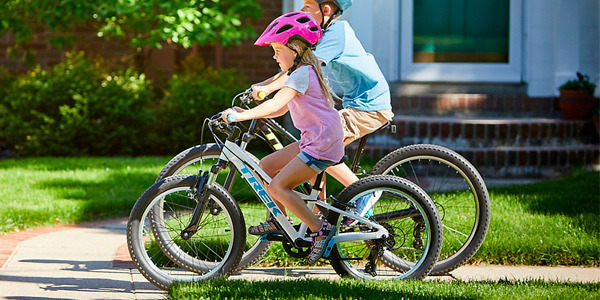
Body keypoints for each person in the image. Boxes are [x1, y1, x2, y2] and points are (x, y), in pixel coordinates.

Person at [251, 0, 393, 221]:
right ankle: (320, 215)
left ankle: (364, 191)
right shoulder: (320, 35)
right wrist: (264, 86)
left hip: (369, 106)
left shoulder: (337, 32)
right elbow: (295, 70)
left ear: (325, 10)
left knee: (323, 144)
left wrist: (266, 87)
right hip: (356, 103)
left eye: (307, 7)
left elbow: (300, 70)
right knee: (314, 149)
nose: (302, 11)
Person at [221, 12, 343, 265]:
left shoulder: (301, 74)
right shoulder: (301, 73)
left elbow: (275, 101)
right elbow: (280, 108)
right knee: (265, 166)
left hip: (320, 143)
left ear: (296, 49)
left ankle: (319, 229)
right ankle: (279, 220)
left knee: (277, 186)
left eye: (278, 49)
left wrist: (239, 118)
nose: (274, 55)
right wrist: (246, 113)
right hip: (315, 139)